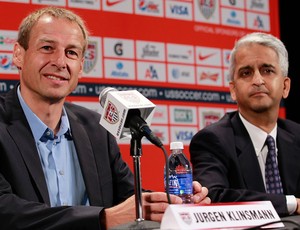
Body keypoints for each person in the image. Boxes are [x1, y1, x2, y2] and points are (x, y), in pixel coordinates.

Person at [0, 6, 211, 230]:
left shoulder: (96, 129)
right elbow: (6, 211)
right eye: (47, 48)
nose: (60, 62)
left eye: (71, 52)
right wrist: (102, 218)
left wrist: (172, 203)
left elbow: (127, 199)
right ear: (18, 55)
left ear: (81, 66)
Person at [189, 32, 300, 217]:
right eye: (246, 73)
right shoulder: (212, 140)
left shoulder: (297, 135)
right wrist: (291, 203)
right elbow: (212, 197)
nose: (258, 80)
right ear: (233, 90)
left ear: (285, 86)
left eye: (267, 70)